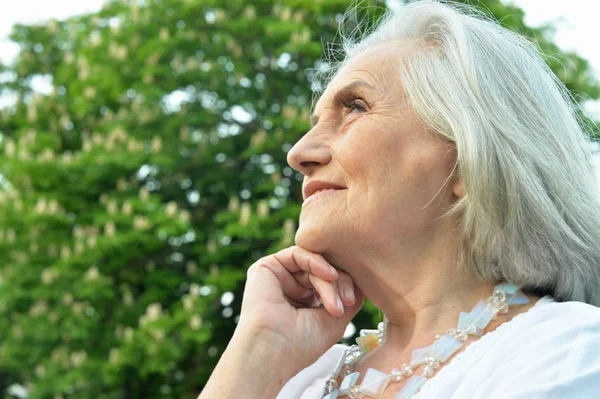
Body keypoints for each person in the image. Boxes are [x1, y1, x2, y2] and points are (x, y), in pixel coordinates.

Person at [199, 1, 600, 398]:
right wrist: (258, 350)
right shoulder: (302, 379)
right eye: (316, 122)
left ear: (468, 158)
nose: (299, 153)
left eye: (354, 107)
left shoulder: (567, 350)